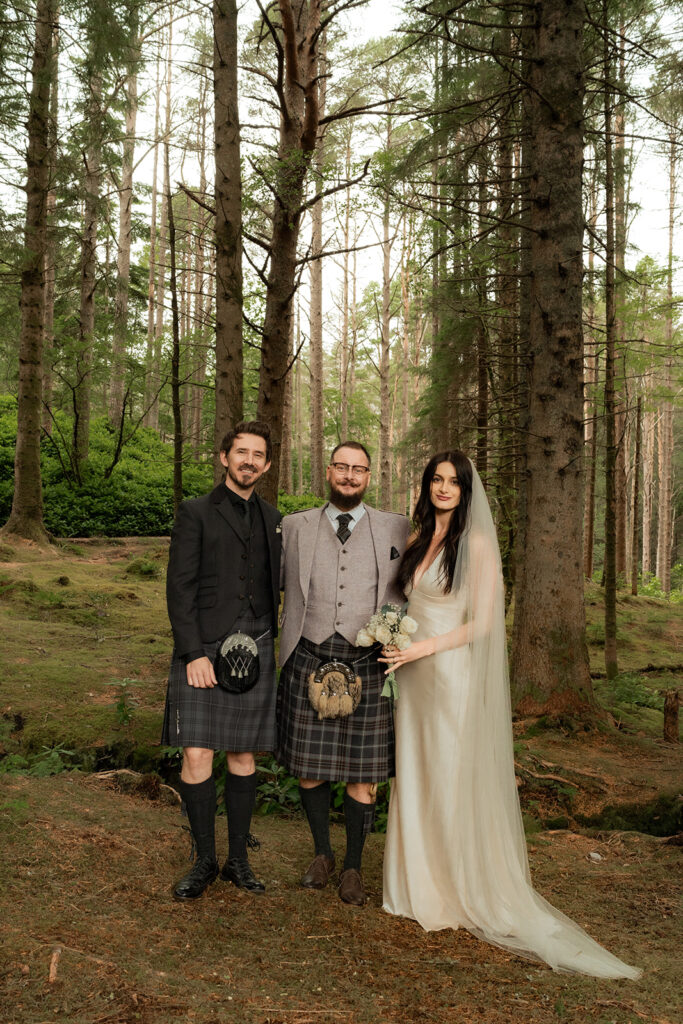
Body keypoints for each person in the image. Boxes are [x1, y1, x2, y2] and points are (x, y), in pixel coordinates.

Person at [380, 450, 640, 978]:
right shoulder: (415, 538)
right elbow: (405, 603)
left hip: (448, 674)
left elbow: (483, 623)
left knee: (450, 779)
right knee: (417, 775)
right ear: (427, 485)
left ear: (466, 490)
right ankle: (414, 885)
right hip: (411, 675)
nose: (444, 488)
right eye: (436, 479)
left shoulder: (474, 544)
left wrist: (420, 650)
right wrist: (391, 637)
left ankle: (452, 892)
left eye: (453, 482)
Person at [277, 441, 410, 906]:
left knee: (363, 774)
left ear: (369, 476)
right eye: (342, 467)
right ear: (328, 470)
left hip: (369, 660)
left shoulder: (398, 525)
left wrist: (396, 634)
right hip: (306, 653)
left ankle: (353, 865)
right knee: (310, 770)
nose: (350, 476)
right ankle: (321, 854)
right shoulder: (293, 527)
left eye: (360, 470)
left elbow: (412, 587)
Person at [162, 421, 282, 901]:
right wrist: (192, 652)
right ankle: (204, 860)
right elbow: (179, 587)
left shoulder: (275, 519)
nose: (249, 460)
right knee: (196, 753)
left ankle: (238, 861)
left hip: (258, 641)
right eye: (241, 452)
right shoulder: (195, 513)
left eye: (258, 455)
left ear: (267, 465)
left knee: (244, 754)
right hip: (206, 646)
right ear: (224, 457)